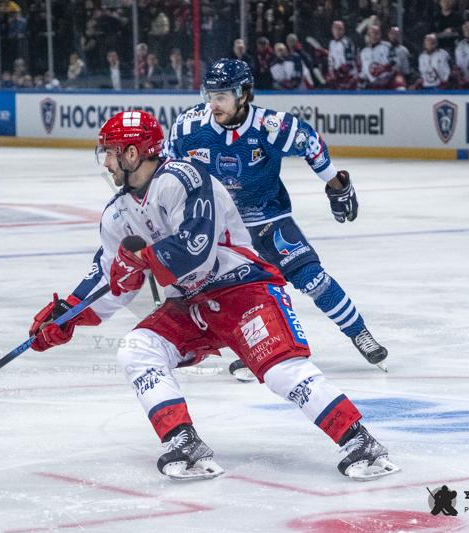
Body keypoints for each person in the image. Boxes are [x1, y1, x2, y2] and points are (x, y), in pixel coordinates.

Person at [27, 110, 399, 481]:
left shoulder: (182, 178)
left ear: (132, 153)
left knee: (281, 371)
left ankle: (360, 442)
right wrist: (67, 314)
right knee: (137, 348)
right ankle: (184, 442)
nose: (105, 161)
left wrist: (141, 258)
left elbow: (195, 250)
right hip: (191, 307)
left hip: (244, 290)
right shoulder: (118, 213)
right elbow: (109, 278)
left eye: (110, 152)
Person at [163, 59, 389, 375]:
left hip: (269, 219)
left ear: (243, 94)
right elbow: (168, 172)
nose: (213, 104)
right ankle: (252, 347)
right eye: (210, 96)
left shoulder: (271, 127)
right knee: (230, 295)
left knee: (313, 278)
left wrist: (335, 184)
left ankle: (359, 332)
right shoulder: (189, 127)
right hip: (222, 230)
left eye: (222, 96)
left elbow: (310, 142)